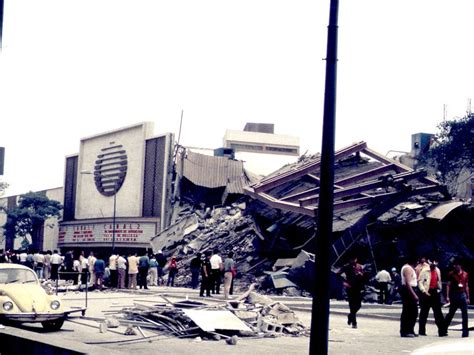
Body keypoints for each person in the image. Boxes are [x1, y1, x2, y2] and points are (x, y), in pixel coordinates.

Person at [417, 259, 445, 336]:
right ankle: (422, 330)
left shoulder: (437, 270)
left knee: (438, 312)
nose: (434, 265)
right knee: (424, 312)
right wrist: (423, 290)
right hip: (427, 291)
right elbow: (420, 281)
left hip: (435, 291)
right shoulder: (424, 270)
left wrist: (439, 289)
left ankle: (442, 331)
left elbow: (439, 280)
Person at [444, 259, 470, 338]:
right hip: (455, 294)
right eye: (455, 265)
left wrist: (468, 297)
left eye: (457, 265)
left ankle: (465, 331)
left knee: (465, 314)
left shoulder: (465, 274)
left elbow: (466, 286)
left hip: (462, 295)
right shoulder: (451, 274)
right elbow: (448, 285)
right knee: (451, 313)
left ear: (460, 265)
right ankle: (444, 328)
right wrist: (448, 296)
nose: (456, 266)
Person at [339, 256, 365, 329]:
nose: (353, 260)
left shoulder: (359, 266)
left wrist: (361, 275)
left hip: (358, 288)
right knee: (352, 305)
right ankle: (354, 323)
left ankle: (351, 315)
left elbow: (364, 277)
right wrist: (343, 283)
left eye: (355, 259)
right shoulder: (346, 267)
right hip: (350, 288)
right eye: (352, 259)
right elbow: (337, 274)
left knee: (358, 305)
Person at [400, 255, 419, 337]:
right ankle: (405, 330)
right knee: (408, 311)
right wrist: (414, 294)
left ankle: (410, 329)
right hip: (408, 290)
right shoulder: (407, 268)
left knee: (413, 312)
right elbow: (408, 283)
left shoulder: (411, 268)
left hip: (412, 289)